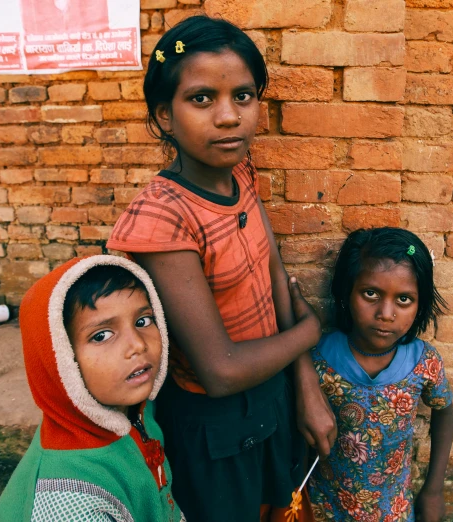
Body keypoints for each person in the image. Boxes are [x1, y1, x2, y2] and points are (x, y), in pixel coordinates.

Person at [106, 15, 336, 522]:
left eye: (244, 96)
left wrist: (306, 385)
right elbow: (221, 370)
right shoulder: (163, 219)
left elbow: (272, 268)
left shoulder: (239, 171)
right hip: (216, 432)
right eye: (202, 98)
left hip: (272, 401)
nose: (229, 117)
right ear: (165, 115)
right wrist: (311, 331)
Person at [0, 255, 183, 522]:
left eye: (143, 321)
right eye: (101, 335)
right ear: (60, 360)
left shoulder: (136, 411)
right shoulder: (72, 506)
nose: (137, 344)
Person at [308, 228, 453, 522]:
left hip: (393, 509)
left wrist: (434, 489)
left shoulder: (423, 362)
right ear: (347, 292)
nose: (386, 313)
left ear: (419, 304)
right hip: (325, 507)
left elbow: (445, 412)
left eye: (403, 299)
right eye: (371, 294)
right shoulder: (320, 358)